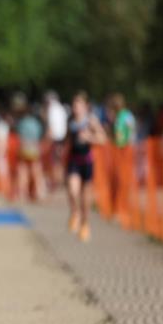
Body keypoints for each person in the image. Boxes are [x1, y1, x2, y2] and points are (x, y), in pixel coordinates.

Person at [66, 91, 107, 242]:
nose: (75, 107)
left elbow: (103, 139)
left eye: (78, 105)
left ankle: (85, 224)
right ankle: (75, 214)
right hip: (73, 161)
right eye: (74, 104)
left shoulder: (91, 121)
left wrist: (89, 137)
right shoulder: (70, 120)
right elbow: (68, 140)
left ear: (85, 106)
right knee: (72, 189)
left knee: (85, 197)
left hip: (87, 161)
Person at [13, 93, 46, 202]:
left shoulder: (22, 122)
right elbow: (40, 136)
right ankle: (39, 193)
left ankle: (23, 193)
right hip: (34, 148)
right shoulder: (37, 123)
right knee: (36, 172)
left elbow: (19, 136)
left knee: (23, 171)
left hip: (24, 148)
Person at [44, 90, 68, 191]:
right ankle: (59, 181)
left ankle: (55, 182)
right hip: (62, 138)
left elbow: (51, 127)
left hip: (55, 139)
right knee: (59, 161)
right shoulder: (61, 108)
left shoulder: (52, 109)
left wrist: (46, 140)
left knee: (54, 162)